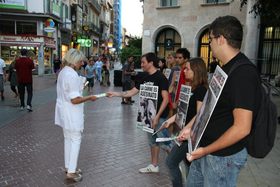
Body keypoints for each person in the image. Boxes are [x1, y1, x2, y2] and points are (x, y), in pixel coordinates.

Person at [178, 15, 261, 187]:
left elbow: (242, 128)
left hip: (223, 158)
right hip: (204, 150)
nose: (210, 45)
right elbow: (209, 106)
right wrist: (191, 127)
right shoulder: (223, 68)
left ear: (221, 39)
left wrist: (205, 150)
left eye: (211, 40)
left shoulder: (243, 73)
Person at [107, 52, 172, 173]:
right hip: (147, 116)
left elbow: (166, 99)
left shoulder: (161, 77)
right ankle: (154, 165)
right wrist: (115, 94)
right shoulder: (144, 77)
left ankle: (177, 165)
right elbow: (131, 92)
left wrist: (157, 117)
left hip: (159, 117)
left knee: (166, 143)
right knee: (152, 142)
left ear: (151, 63)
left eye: (143, 62)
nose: (141, 65)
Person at [55, 48, 98, 182]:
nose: (82, 64)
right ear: (76, 61)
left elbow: (69, 93)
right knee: (75, 139)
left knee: (68, 139)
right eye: (81, 62)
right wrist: (89, 97)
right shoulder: (72, 75)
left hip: (64, 112)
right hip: (72, 114)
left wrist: (80, 87)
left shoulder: (63, 72)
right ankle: (71, 172)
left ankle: (69, 167)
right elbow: (75, 100)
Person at [164, 58, 208, 187]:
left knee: (171, 162)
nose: (184, 71)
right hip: (184, 133)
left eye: (187, 68)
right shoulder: (191, 88)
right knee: (189, 165)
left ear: (196, 70)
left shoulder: (201, 90)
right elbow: (185, 111)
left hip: (189, 135)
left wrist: (187, 130)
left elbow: (200, 116)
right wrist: (170, 120)